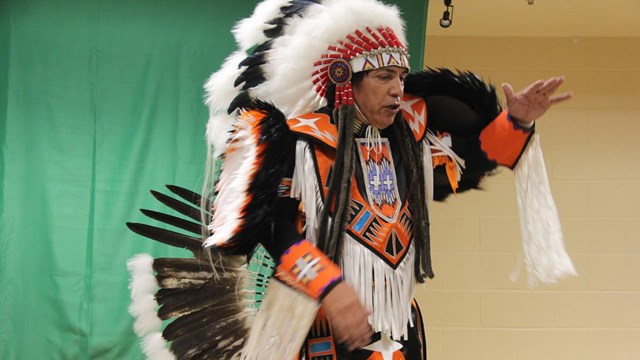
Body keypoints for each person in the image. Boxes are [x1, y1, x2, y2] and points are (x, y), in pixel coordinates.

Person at [127, 0, 576, 359]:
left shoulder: (412, 143)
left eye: (400, 76)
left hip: (398, 324)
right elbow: (276, 231)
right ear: (346, 80)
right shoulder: (299, 145)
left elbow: (472, 160)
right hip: (317, 320)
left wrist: (515, 121)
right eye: (383, 77)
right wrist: (332, 288)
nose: (398, 89)